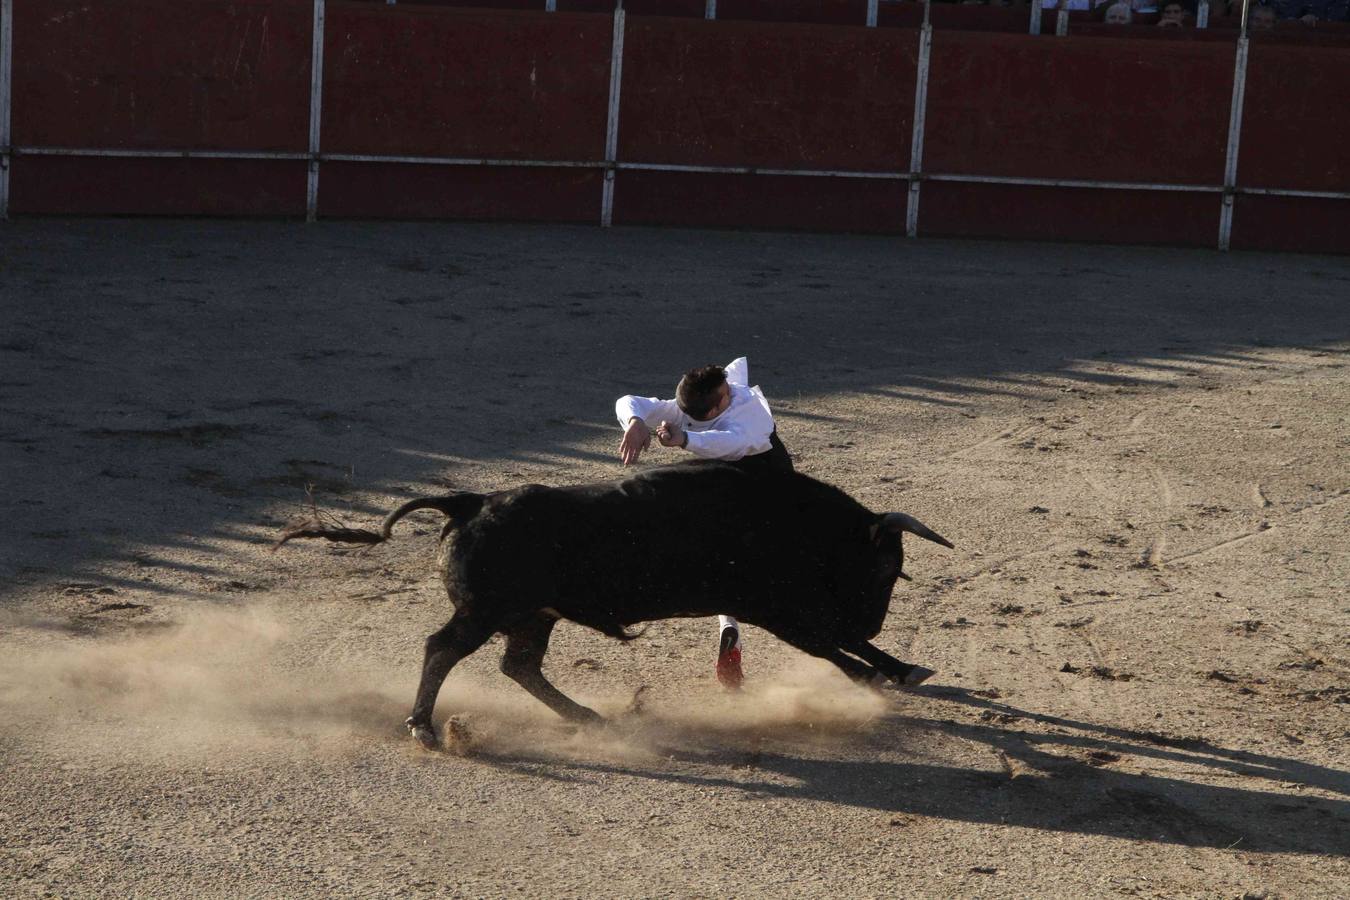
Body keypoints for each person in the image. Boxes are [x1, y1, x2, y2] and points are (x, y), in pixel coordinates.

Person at [615, 357, 792, 689]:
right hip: (757, 484)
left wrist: (685, 440)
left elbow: (729, 443)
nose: (730, 390)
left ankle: (729, 624)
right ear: (710, 412)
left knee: (722, 556)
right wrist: (635, 421)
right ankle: (733, 622)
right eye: (725, 392)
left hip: (750, 480)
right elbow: (629, 402)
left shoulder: (748, 413)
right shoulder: (689, 409)